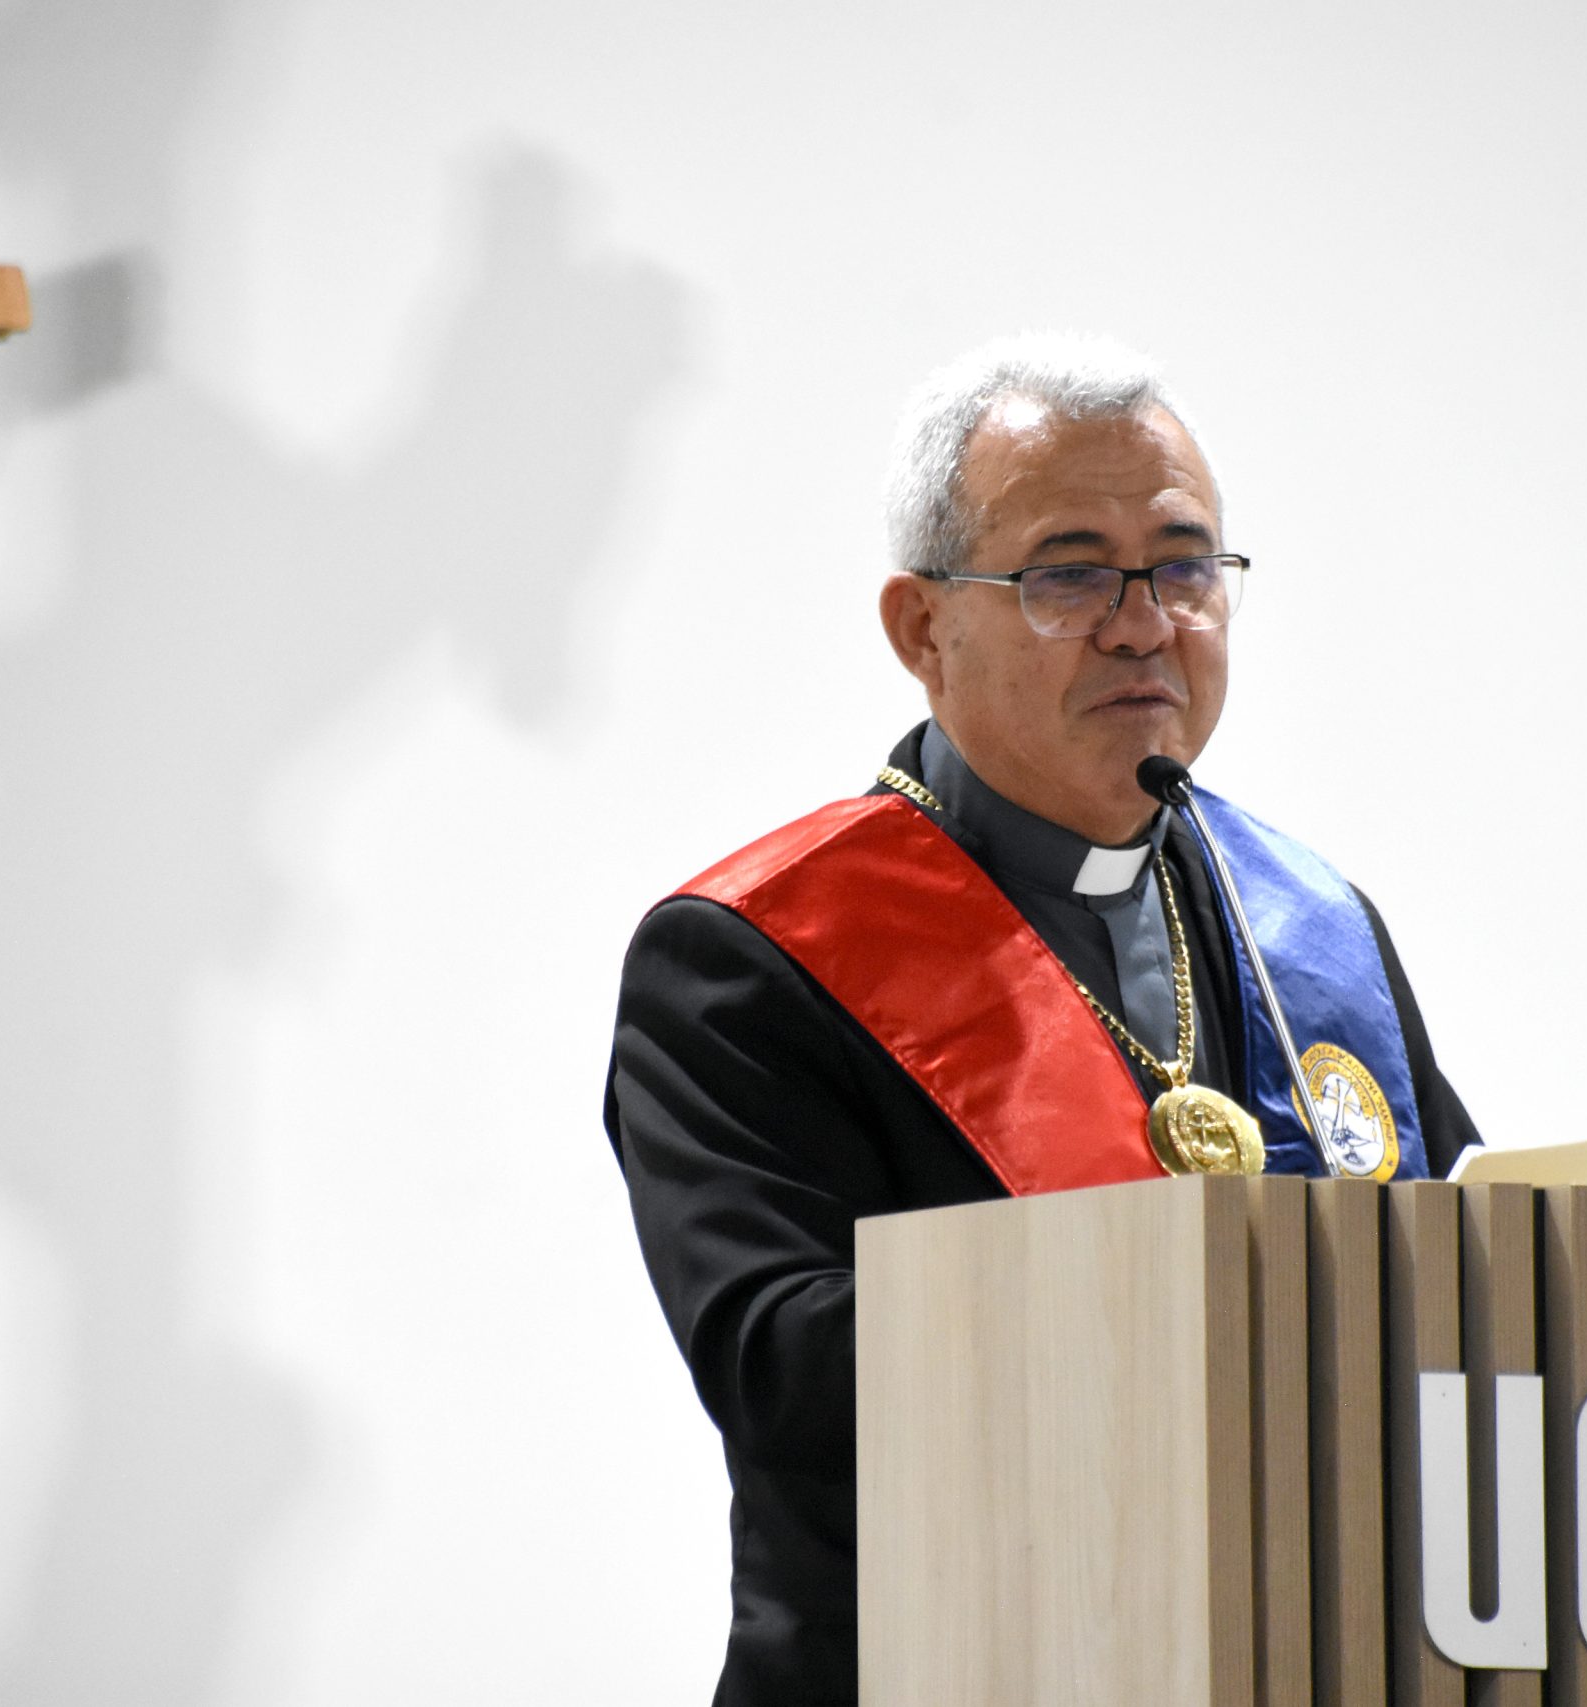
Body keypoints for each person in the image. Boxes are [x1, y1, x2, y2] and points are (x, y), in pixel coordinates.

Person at [604, 336, 1481, 1705]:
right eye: (1070, 573)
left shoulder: (1310, 927)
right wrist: (1196, 1314)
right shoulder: (748, 962)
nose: (1145, 622)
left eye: (1185, 564)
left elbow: (1465, 1273)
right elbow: (785, 1374)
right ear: (922, 630)